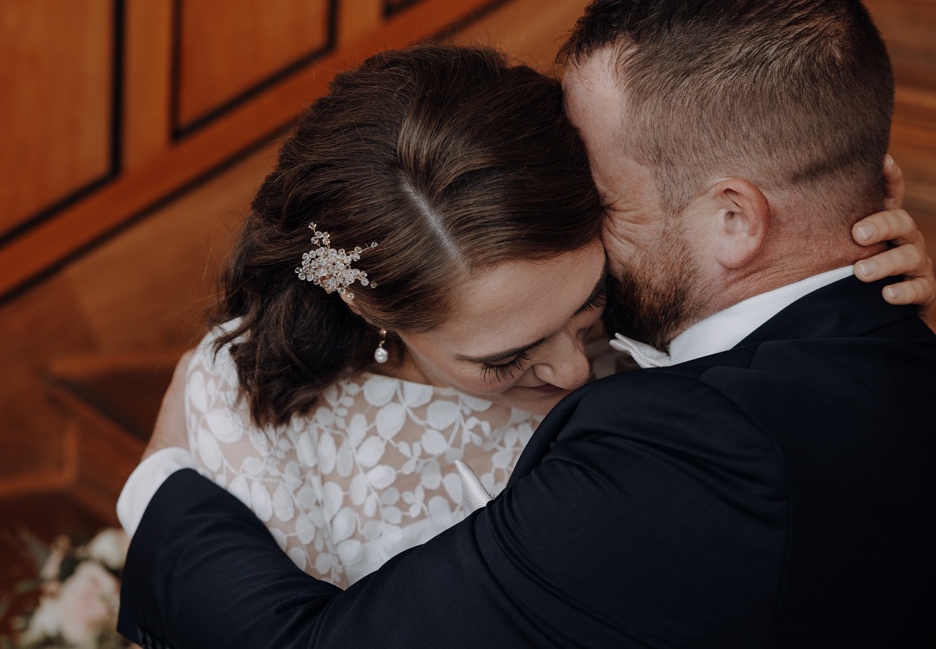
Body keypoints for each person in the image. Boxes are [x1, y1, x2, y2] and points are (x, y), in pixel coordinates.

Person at [117, 0, 936, 646]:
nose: (566, 366)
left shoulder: (687, 450)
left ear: (736, 220)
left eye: (596, 190)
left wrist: (157, 480)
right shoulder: (891, 351)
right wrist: (831, 264)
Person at [179, 44, 614, 587]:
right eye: (506, 357)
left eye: (590, 301)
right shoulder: (260, 415)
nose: (576, 371)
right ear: (364, 302)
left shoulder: (660, 306)